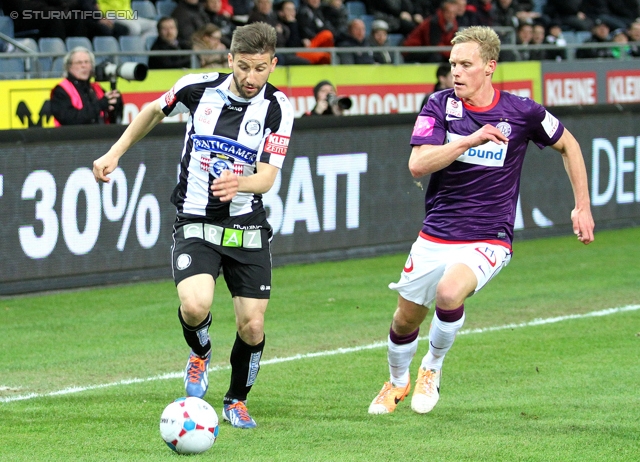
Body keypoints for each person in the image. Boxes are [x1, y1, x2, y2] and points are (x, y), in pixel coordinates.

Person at [368, 25, 594, 416]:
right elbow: (417, 165)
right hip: (436, 233)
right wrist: (466, 141)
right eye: (453, 63)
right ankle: (397, 382)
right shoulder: (439, 106)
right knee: (405, 320)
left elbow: (568, 144)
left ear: (489, 67)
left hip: (489, 237)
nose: (456, 71)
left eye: (465, 64)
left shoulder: (522, 112)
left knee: (449, 293)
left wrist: (582, 205)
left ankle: (431, 370)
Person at [92, 22, 294, 429]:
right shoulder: (198, 88)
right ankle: (200, 353)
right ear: (229, 60)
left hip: (246, 227)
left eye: (259, 68)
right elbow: (152, 110)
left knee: (252, 325)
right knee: (195, 304)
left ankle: (236, 399)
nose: (250, 77)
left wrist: (241, 182)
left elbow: (269, 177)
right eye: (242, 67)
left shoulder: (278, 107)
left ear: (273, 64)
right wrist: (115, 153)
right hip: (196, 218)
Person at [50, 47, 123, 125]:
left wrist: (117, 105)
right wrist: (100, 105)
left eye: (87, 62)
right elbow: (69, 119)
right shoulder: (61, 90)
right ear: (69, 67)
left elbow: (113, 120)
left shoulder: (97, 88)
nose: (84, 66)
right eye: (79, 62)